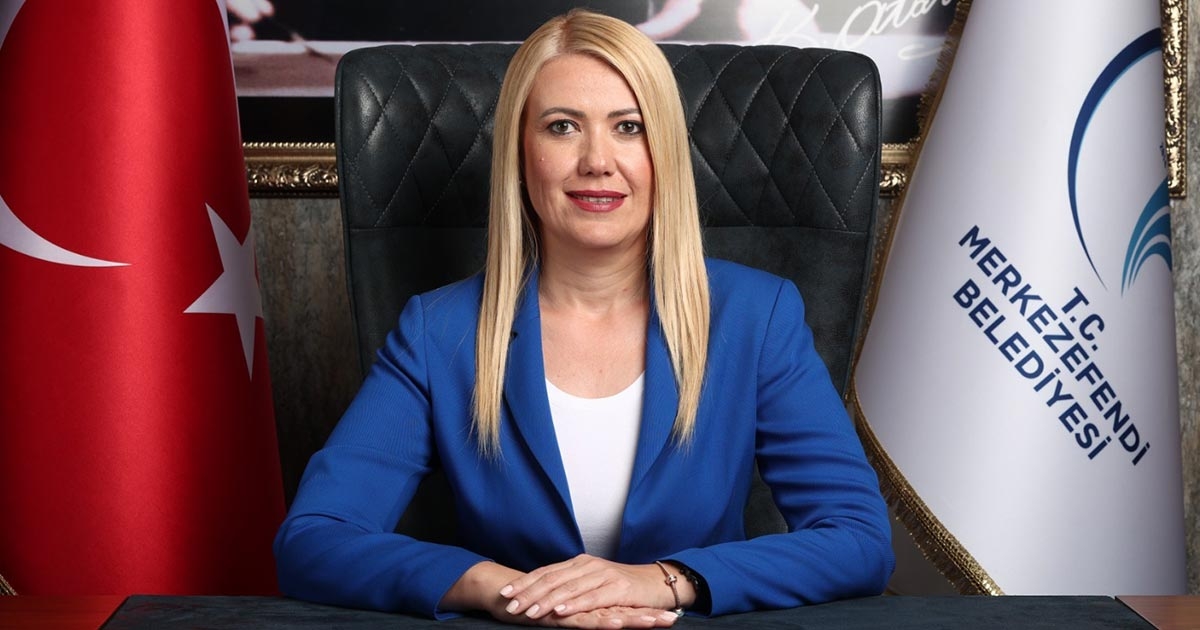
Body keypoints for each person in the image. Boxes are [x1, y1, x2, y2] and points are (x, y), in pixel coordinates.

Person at [274, 9, 894, 627]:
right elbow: (314, 540)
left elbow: (857, 539)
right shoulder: (439, 332)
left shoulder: (758, 316)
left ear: (664, 152)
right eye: (562, 126)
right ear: (521, 153)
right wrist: (498, 589)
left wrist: (663, 581)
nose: (598, 160)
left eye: (629, 127)